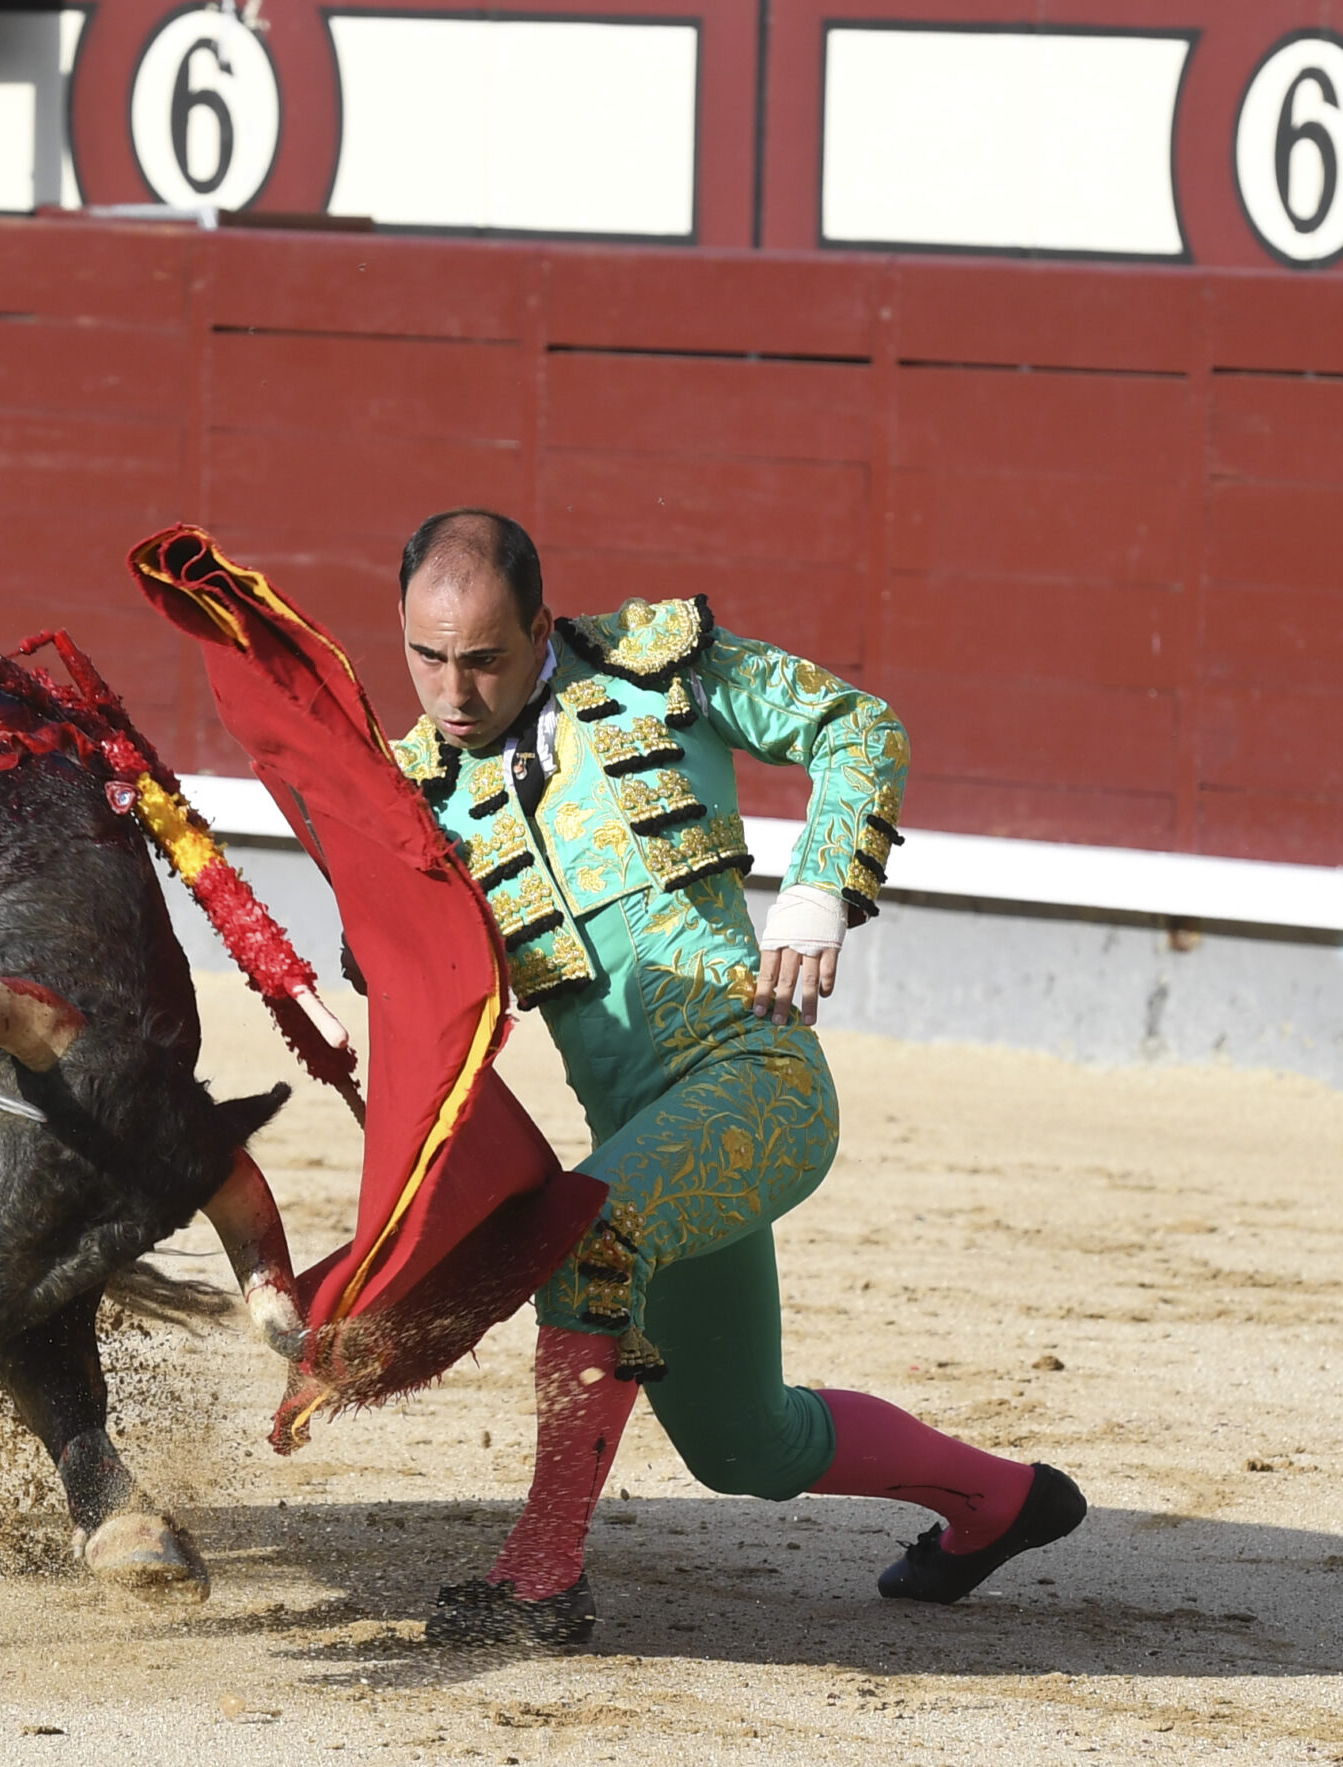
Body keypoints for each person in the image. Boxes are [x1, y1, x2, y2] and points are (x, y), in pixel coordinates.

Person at [379, 510, 1088, 1649]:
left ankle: (540, 1579)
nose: (452, 692)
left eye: (483, 658)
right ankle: (1003, 1503)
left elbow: (856, 726)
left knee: (589, 1238)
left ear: (540, 628)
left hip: (753, 1078)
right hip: (640, 1134)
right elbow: (412, 991)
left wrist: (817, 892)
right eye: (425, 657)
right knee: (742, 1445)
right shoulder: (412, 794)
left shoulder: (664, 664)